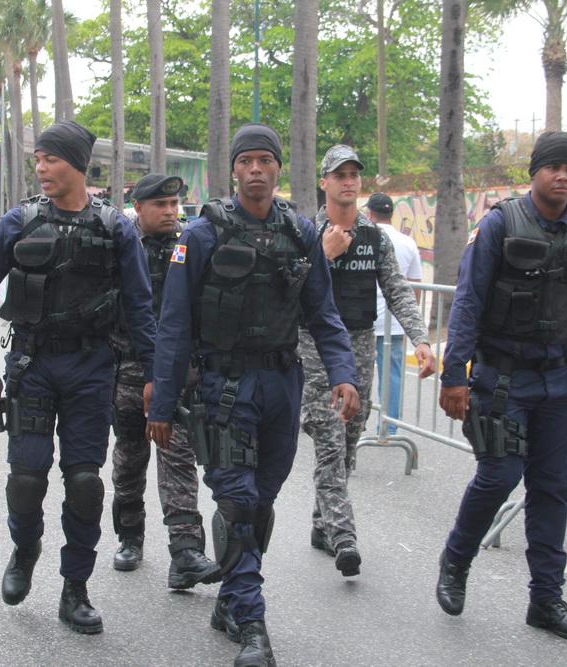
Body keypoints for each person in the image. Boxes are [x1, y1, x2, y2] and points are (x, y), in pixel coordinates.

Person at [0, 120, 157, 635]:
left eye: (50, 159)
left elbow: (141, 308)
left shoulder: (116, 227)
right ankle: (24, 547)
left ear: (76, 164)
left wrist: (154, 375)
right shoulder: (20, 221)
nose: (42, 167)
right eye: (38, 160)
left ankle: (75, 589)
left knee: (83, 484)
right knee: (26, 481)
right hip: (31, 366)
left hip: (92, 369)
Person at [148, 123, 360, 667]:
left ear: (277, 168)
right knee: (238, 500)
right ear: (234, 170)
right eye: (247, 162)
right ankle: (252, 622)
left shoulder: (302, 233)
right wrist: (164, 404)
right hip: (222, 387)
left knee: (261, 500)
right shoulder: (200, 235)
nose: (257, 170)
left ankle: (229, 601)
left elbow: (324, 314)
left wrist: (344, 373)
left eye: (266, 160)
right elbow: (173, 327)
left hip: (281, 386)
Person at [435, 132, 567, 642]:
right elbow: (468, 300)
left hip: (561, 383)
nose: (563, 176)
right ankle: (456, 560)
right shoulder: (498, 224)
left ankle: (546, 600)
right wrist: (455, 375)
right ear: (534, 172)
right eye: (554, 166)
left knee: (553, 490)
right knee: (498, 475)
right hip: (502, 380)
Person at [300, 146, 435, 577]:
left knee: (349, 441)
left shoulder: (375, 238)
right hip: (315, 351)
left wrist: (421, 340)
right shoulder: (304, 233)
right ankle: (344, 536)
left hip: (361, 348)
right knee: (329, 441)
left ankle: (323, 525)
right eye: (339, 174)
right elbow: (288, 288)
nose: (349, 181)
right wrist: (324, 255)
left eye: (355, 174)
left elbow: (396, 289)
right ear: (324, 183)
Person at [108, 172, 222, 589]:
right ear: (138, 207)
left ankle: (185, 550)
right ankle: (130, 537)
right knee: (130, 458)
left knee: (177, 455)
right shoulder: (122, 246)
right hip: (128, 370)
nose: (171, 212)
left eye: (175, 205)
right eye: (161, 205)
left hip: (175, 373)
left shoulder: (187, 246)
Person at [369, 192, 425, 435]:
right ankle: (390, 426)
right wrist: (408, 322)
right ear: (391, 214)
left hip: (362, 321)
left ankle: (348, 422)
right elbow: (415, 287)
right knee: (392, 375)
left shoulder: (364, 237)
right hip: (394, 322)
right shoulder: (408, 242)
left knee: (352, 373)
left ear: (369, 213)